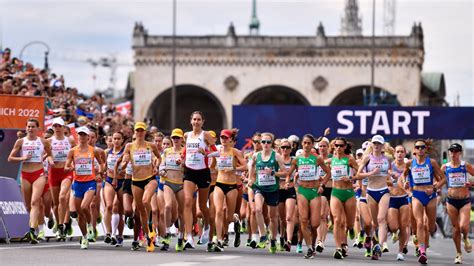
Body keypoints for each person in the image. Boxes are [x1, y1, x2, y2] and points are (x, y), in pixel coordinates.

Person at [8, 118, 54, 244]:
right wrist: (22, 157)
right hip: (25, 174)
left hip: (39, 173)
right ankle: (35, 227)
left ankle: (33, 230)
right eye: (28, 126)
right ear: (26, 128)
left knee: (35, 202)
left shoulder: (43, 141)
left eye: (33, 126)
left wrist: (50, 160)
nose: (30, 129)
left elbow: (49, 154)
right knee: (28, 205)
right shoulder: (20, 141)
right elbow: (10, 158)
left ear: (38, 128)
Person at [286, 134, 331, 258]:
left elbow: (328, 172)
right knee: (304, 221)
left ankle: (314, 241)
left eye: (309, 143)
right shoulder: (297, 159)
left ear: (312, 145)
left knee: (315, 223)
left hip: (315, 191)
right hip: (302, 191)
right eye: (304, 143)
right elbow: (288, 173)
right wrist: (287, 182)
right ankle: (310, 248)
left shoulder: (317, 159)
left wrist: (322, 185)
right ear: (302, 144)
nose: (306, 145)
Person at [119, 122, 162, 252]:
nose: (139, 133)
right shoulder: (129, 146)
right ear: (134, 132)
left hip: (150, 179)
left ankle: (150, 225)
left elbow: (159, 157)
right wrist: (124, 163)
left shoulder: (151, 145)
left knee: (145, 201)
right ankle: (149, 235)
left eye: (141, 130)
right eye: (137, 130)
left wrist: (156, 165)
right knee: (140, 211)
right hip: (136, 181)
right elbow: (124, 159)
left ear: (145, 132)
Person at [403, 139, 446, 264]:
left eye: (422, 147)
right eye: (418, 147)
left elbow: (443, 179)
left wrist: (434, 188)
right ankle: (422, 251)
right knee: (420, 223)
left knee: (430, 227)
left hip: (430, 196)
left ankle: (433, 227)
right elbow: (404, 175)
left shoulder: (431, 162)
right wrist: (406, 182)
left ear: (426, 149)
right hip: (416, 195)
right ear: (414, 150)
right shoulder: (410, 163)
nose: (420, 149)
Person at [64, 126, 104, 249]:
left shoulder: (94, 151)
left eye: (84, 135)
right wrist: (70, 168)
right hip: (77, 183)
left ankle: (90, 225)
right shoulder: (72, 151)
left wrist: (99, 174)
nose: (82, 137)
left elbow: (102, 164)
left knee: (84, 206)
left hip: (90, 183)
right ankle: (85, 237)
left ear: (88, 137)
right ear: (77, 136)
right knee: (79, 213)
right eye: (79, 135)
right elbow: (66, 166)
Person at [248, 132, 288, 254]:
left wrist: (273, 173)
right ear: (260, 143)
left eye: (268, 142)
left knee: (272, 217)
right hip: (260, 187)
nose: (266, 144)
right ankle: (263, 235)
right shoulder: (256, 156)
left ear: (272, 143)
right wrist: (250, 178)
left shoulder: (276, 156)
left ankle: (273, 239)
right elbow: (251, 167)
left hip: (273, 189)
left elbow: (285, 172)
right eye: (263, 142)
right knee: (258, 210)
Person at [182, 111, 217, 249]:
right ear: (191, 121)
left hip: (203, 172)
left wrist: (207, 153)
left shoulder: (206, 135)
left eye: (199, 120)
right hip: (189, 171)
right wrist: (181, 157)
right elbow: (186, 149)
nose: (196, 122)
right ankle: (189, 236)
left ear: (203, 122)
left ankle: (207, 225)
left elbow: (218, 152)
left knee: (202, 206)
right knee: (187, 202)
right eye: (194, 119)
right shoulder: (187, 135)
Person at [356, 135, 392, 260]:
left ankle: (379, 246)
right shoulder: (367, 158)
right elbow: (358, 175)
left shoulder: (388, 158)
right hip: (370, 192)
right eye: (374, 143)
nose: (376, 145)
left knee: (381, 219)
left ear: (382, 145)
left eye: (379, 143)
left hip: (384, 191)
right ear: (372, 145)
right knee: (374, 223)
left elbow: (394, 171)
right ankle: (371, 241)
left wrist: (393, 176)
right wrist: (370, 173)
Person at [211, 129, 247, 252]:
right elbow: (213, 167)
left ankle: (236, 222)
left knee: (229, 217)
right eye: (222, 137)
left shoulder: (235, 152)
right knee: (219, 211)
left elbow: (245, 166)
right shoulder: (217, 151)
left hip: (232, 186)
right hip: (219, 184)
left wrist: (234, 168)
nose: (223, 140)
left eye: (226, 138)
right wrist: (214, 167)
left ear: (231, 139)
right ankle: (219, 240)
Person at [441, 143, 473, 264]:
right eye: (451, 151)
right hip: (451, 201)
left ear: (460, 153)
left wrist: (471, 184)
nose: (453, 154)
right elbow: (437, 179)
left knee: (464, 227)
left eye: (455, 151)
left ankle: (465, 238)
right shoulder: (445, 167)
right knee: (456, 228)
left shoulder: (465, 166)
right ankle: (458, 253)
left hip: (464, 200)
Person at [328, 137, 359, 259]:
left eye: (341, 145)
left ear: (345, 147)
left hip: (349, 193)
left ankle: (350, 229)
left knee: (349, 223)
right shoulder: (331, 160)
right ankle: (338, 247)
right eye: (337, 145)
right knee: (337, 220)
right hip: (336, 192)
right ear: (334, 147)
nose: (339, 148)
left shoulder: (350, 159)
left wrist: (351, 178)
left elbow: (359, 173)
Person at [47, 117, 76, 241]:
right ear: (53, 128)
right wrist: (51, 160)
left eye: (60, 126)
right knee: (55, 204)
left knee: (63, 197)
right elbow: (48, 155)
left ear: (64, 127)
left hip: (66, 172)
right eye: (55, 126)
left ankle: (63, 226)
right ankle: (59, 225)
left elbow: (76, 154)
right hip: (53, 172)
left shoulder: (70, 140)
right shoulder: (48, 141)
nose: (58, 128)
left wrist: (73, 165)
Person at [160, 129, 186, 251]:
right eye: (174, 138)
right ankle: (166, 234)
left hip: (181, 184)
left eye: (178, 138)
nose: (175, 140)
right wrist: (162, 171)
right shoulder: (166, 151)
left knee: (181, 212)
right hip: (168, 182)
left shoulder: (185, 151)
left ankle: (181, 237)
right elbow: (161, 166)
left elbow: (190, 167)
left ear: (182, 139)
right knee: (168, 206)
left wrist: (183, 163)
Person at [388, 145, 410, 261]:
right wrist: (391, 179)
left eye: (402, 152)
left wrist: (407, 185)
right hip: (392, 198)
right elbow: (384, 180)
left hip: (404, 197)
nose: (400, 154)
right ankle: (393, 232)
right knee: (393, 226)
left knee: (403, 225)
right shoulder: (390, 166)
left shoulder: (408, 166)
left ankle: (400, 251)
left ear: (405, 153)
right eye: (398, 152)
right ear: (394, 154)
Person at [103, 132, 126, 245]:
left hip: (122, 182)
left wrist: (121, 171)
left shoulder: (125, 153)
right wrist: (102, 171)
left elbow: (128, 167)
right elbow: (103, 166)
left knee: (120, 211)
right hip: (109, 181)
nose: (116, 141)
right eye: (114, 139)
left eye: (118, 139)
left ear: (122, 140)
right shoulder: (107, 152)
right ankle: (108, 233)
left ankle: (120, 235)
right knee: (109, 206)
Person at [278, 138, 297, 252]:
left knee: (289, 217)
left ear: (291, 149)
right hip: (279, 190)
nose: (285, 149)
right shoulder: (276, 159)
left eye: (287, 147)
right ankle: (282, 236)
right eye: (283, 147)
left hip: (290, 190)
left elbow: (298, 176)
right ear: (280, 149)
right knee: (282, 218)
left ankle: (288, 241)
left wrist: (292, 184)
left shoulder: (294, 160)